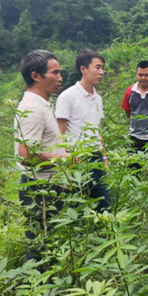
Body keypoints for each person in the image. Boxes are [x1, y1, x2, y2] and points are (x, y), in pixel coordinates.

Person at [15, 50, 68, 261]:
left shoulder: (42, 104)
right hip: (39, 190)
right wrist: (64, 159)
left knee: (51, 243)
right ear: (36, 76)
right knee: (39, 248)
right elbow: (26, 155)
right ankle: (34, 291)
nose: (60, 78)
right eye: (55, 73)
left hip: (48, 186)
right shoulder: (32, 108)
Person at [55, 49, 109, 212]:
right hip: (77, 160)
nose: (101, 72)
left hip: (97, 158)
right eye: (97, 67)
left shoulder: (97, 98)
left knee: (103, 206)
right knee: (79, 207)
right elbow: (59, 133)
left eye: (102, 68)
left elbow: (97, 130)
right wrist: (67, 162)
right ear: (83, 69)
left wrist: (104, 158)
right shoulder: (67, 96)